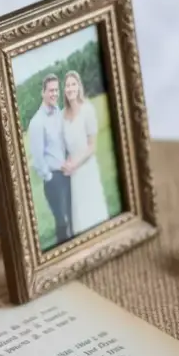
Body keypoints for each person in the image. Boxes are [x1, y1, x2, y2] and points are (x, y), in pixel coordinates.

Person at [61, 70, 110, 235]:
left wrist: (76, 162)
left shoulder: (87, 109)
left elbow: (92, 146)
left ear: (79, 87)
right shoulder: (62, 115)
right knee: (79, 217)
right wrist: (67, 163)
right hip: (73, 173)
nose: (70, 88)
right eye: (67, 85)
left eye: (73, 84)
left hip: (87, 167)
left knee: (93, 212)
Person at [27, 74, 71, 245]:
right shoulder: (37, 122)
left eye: (56, 90)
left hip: (67, 173)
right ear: (43, 93)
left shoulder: (58, 112)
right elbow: (37, 157)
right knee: (62, 222)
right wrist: (49, 177)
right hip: (54, 180)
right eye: (51, 90)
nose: (54, 93)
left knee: (73, 216)